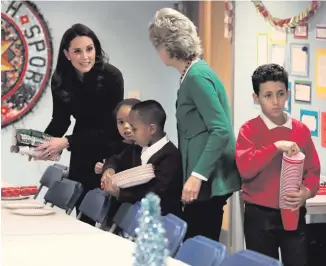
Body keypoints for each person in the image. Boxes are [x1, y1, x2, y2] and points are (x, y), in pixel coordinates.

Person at [148, 8, 241, 241]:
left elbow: (221, 130)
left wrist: (197, 176)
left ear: (168, 46)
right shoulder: (191, 74)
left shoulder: (197, 76)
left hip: (208, 181)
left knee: (198, 247)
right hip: (203, 181)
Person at [35, 24, 124, 224]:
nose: (85, 56)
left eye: (89, 49)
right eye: (77, 51)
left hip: (108, 153)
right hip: (81, 153)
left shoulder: (112, 77)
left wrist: (65, 142)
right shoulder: (60, 79)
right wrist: (42, 144)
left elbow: (109, 129)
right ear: (67, 54)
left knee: (106, 222)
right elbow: (60, 119)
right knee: (83, 219)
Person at [235, 64, 320, 266]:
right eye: (268, 95)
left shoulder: (301, 130)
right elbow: (245, 169)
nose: (275, 101)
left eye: (280, 94)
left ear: (288, 93)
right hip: (259, 215)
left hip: (293, 211)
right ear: (256, 98)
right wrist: (275, 147)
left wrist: (306, 192)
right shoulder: (249, 130)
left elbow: (313, 170)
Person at [103, 100, 183, 217]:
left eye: (134, 129)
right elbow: (115, 160)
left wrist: (121, 193)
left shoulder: (170, 156)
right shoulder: (137, 148)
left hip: (160, 221)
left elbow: (155, 193)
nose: (132, 133)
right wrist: (109, 169)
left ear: (152, 129)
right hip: (136, 216)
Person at [94, 98, 141, 176]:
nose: (125, 126)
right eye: (121, 122)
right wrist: (102, 168)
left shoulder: (148, 147)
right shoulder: (113, 147)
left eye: (131, 121)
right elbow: (110, 164)